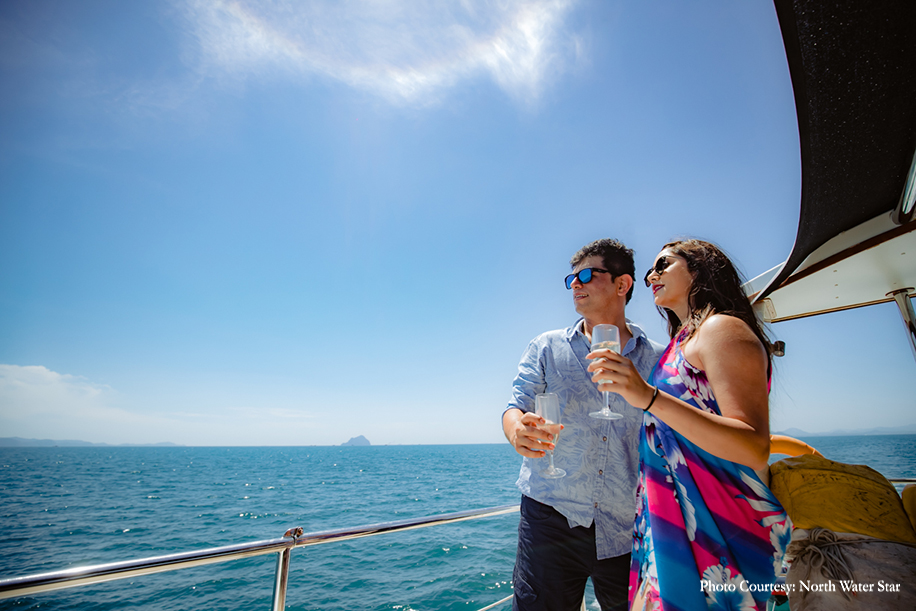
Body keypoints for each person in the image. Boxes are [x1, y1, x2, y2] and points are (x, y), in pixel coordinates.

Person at [586, 239, 792, 611]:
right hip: (670, 525)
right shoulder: (681, 342)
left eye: (663, 265)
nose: (651, 276)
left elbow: (753, 447)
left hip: (720, 528)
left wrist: (649, 397)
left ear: (699, 268)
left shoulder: (721, 329)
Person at [503, 238, 665, 611]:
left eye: (588, 275)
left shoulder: (657, 359)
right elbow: (516, 406)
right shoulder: (546, 346)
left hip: (627, 527)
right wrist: (516, 431)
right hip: (549, 518)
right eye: (571, 278)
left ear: (623, 284)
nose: (575, 283)